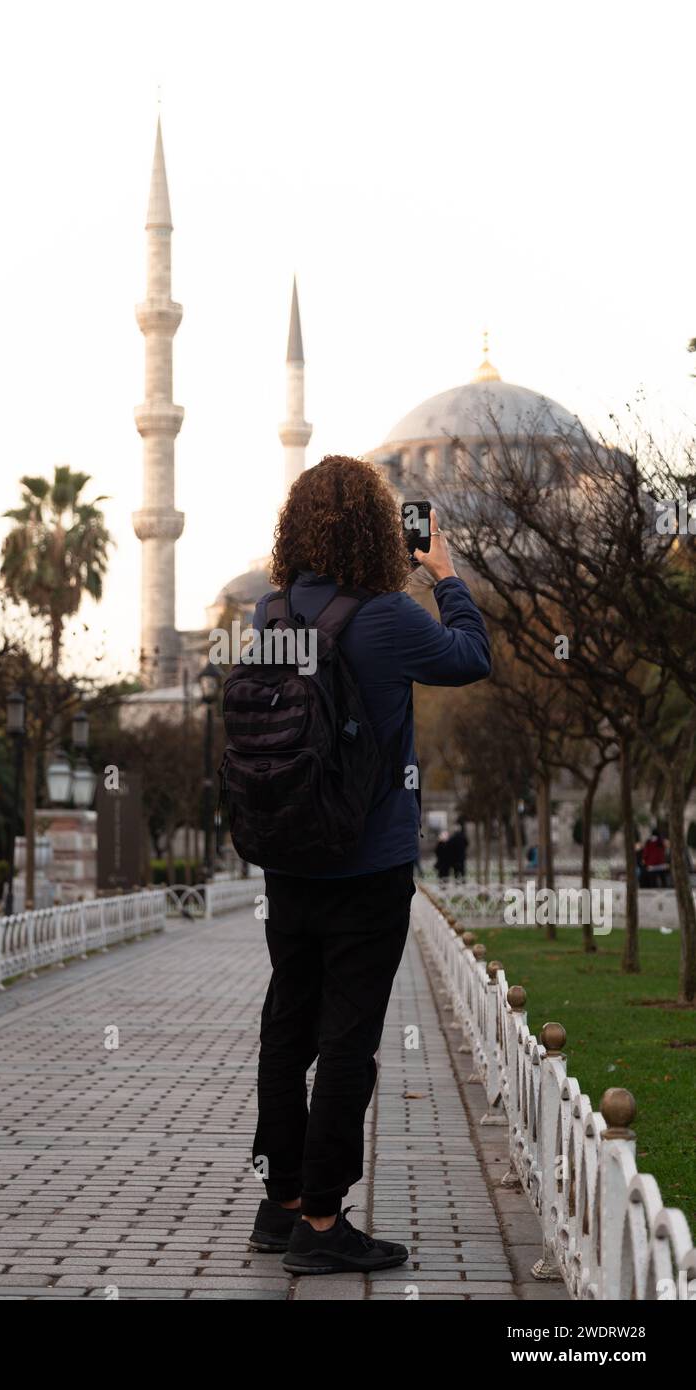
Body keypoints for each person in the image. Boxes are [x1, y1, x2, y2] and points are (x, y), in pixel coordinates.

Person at [247, 455, 490, 1275]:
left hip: (287, 856)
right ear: (378, 529)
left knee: (287, 1024)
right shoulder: (386, 616)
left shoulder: (267, 609)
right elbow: (469, 657)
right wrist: (445, 575)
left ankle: (280, 1206)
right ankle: (322, 1223)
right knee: (348, 1039)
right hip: (368, 860)